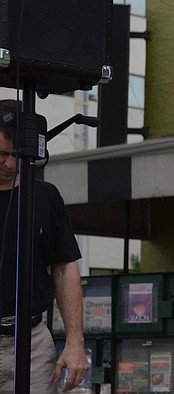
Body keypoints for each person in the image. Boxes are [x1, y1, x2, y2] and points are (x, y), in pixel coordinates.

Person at [0, 105, 88, 393]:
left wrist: (76, 343)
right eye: (2, 154)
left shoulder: (45, 196)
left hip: (31, 340)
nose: (10, 164)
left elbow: (65, 268)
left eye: (16, 155)